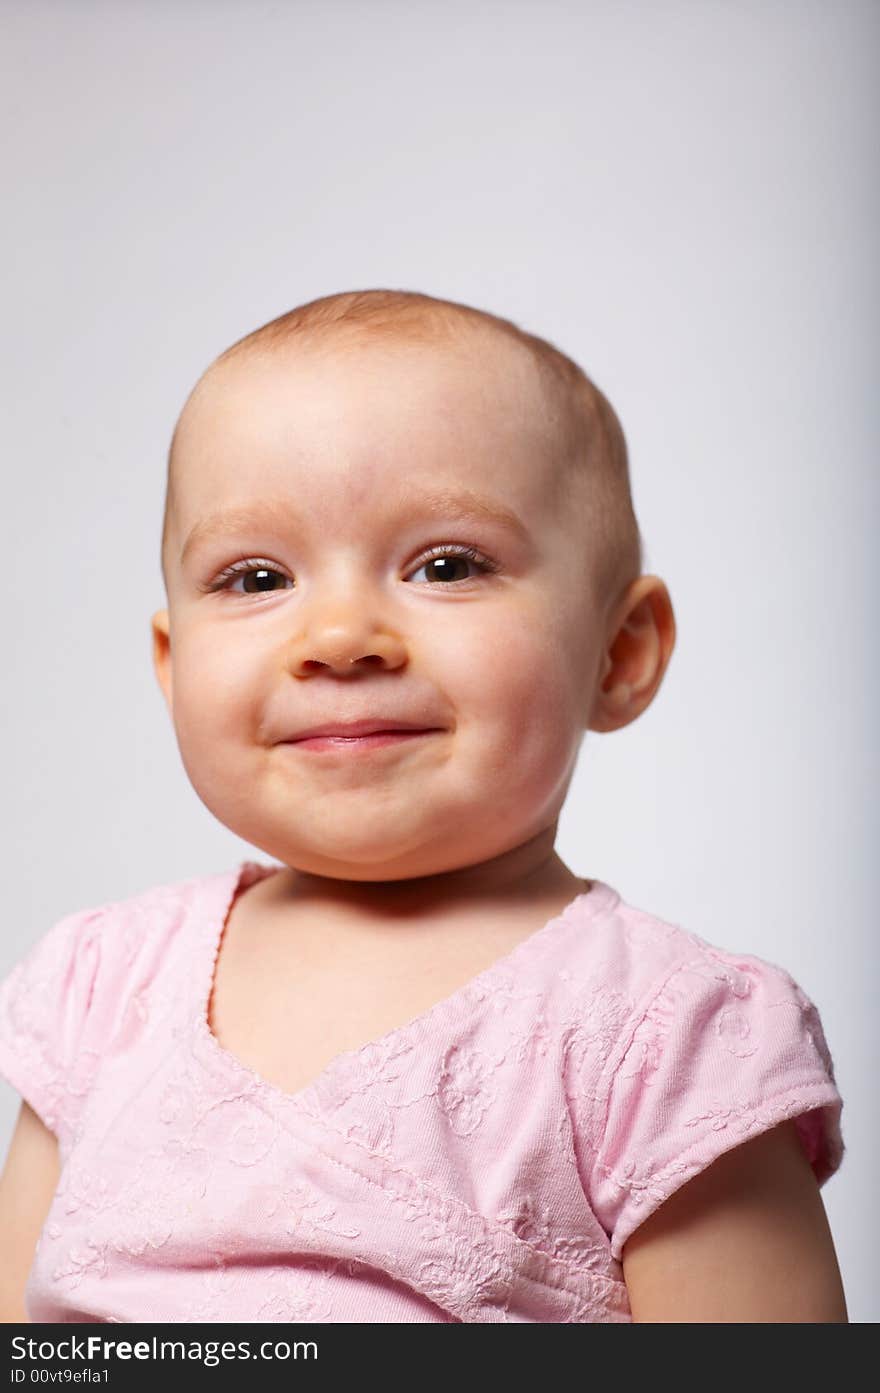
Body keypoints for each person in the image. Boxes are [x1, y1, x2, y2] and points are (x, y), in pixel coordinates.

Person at [0, 289, 847, 1323]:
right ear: (173, 667)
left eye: (447, 564)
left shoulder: (662, 1037)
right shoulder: (103, 987)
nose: (341, 634)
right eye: (256, 576)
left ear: (618, 654)